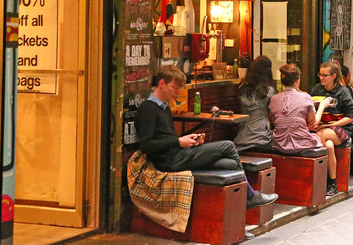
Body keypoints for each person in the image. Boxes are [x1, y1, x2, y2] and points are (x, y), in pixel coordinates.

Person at [136, 65, 278, 211]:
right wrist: (178, 141)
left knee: (230, 164)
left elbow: (165, 138)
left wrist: (189, 140)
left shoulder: (164, 107)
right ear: (161, 84)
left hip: (177, 155)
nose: (178, 92)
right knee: (228, 146)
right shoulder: (148, 108)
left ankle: (237, 216)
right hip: (171, 160)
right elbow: (147, 145)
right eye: (174, 87)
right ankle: (251, 196)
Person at [268, 64, 337, 193]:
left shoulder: (274, 99)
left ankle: (329, 182)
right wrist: (322, 105)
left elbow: (274, 120)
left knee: (327, 143)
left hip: (279, 143)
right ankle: (327, 182)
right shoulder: (305, 98)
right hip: (301, 143)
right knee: (328, 143)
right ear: (297, 81)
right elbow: (314, 123)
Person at [310, 60, 353, 196]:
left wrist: (331, 125)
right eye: (320, 75)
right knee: (328, 146)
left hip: (342, 129)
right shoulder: (316, 90)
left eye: (325, 75)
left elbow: (350, 117)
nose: (321, 78)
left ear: (334, 76)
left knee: (320, 135)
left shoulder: (343, 92)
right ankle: (333, 182)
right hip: (322, 128)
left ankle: (320, 178)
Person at [233, 55, 276, 151]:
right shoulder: (269, 91)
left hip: (242, 137)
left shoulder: (242, 88)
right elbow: (274, 114)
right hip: (262, 137)